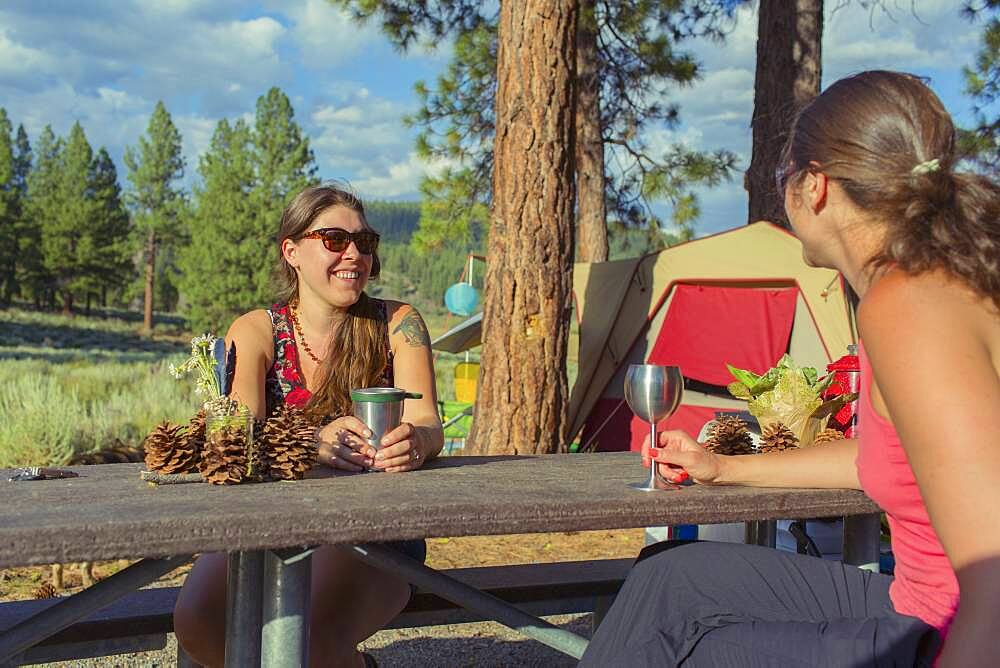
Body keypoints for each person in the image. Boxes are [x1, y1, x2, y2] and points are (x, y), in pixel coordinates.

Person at [580, 70, 1000, 667]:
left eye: (784, 178)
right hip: (917, 602)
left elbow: (996, 578)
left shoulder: (909, 307)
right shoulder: (926, 288)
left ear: (816, 186)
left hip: (946, 633)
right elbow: (879, 459)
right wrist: (723, 467)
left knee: (693, 653)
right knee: (671, 578)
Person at [174, 183, 444, 668]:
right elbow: (234, 437)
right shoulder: (256, 331)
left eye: (364, 242)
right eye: (335, 240)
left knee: (307, 642)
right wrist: (308, 442)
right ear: (292, 251)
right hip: (269, 525)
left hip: (377, 529)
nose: (354, 254)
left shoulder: (400, 323)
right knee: (197, 625)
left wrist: (417, 441)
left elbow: (428, 422)